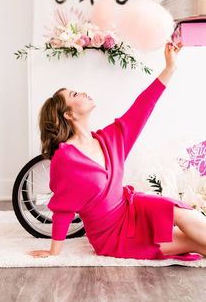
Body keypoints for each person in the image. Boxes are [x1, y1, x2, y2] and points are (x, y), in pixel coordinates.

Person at [27, 41, 206, 260]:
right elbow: (62, 208)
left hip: (133, 209)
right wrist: (53, 250)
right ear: (68, 115)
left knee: (184, 213)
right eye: (75, 95)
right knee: (194, 242)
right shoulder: (66, 158)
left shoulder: (110, 138)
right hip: (113, 235)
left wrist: (169, 68)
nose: (82, 93)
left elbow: (143, 106)